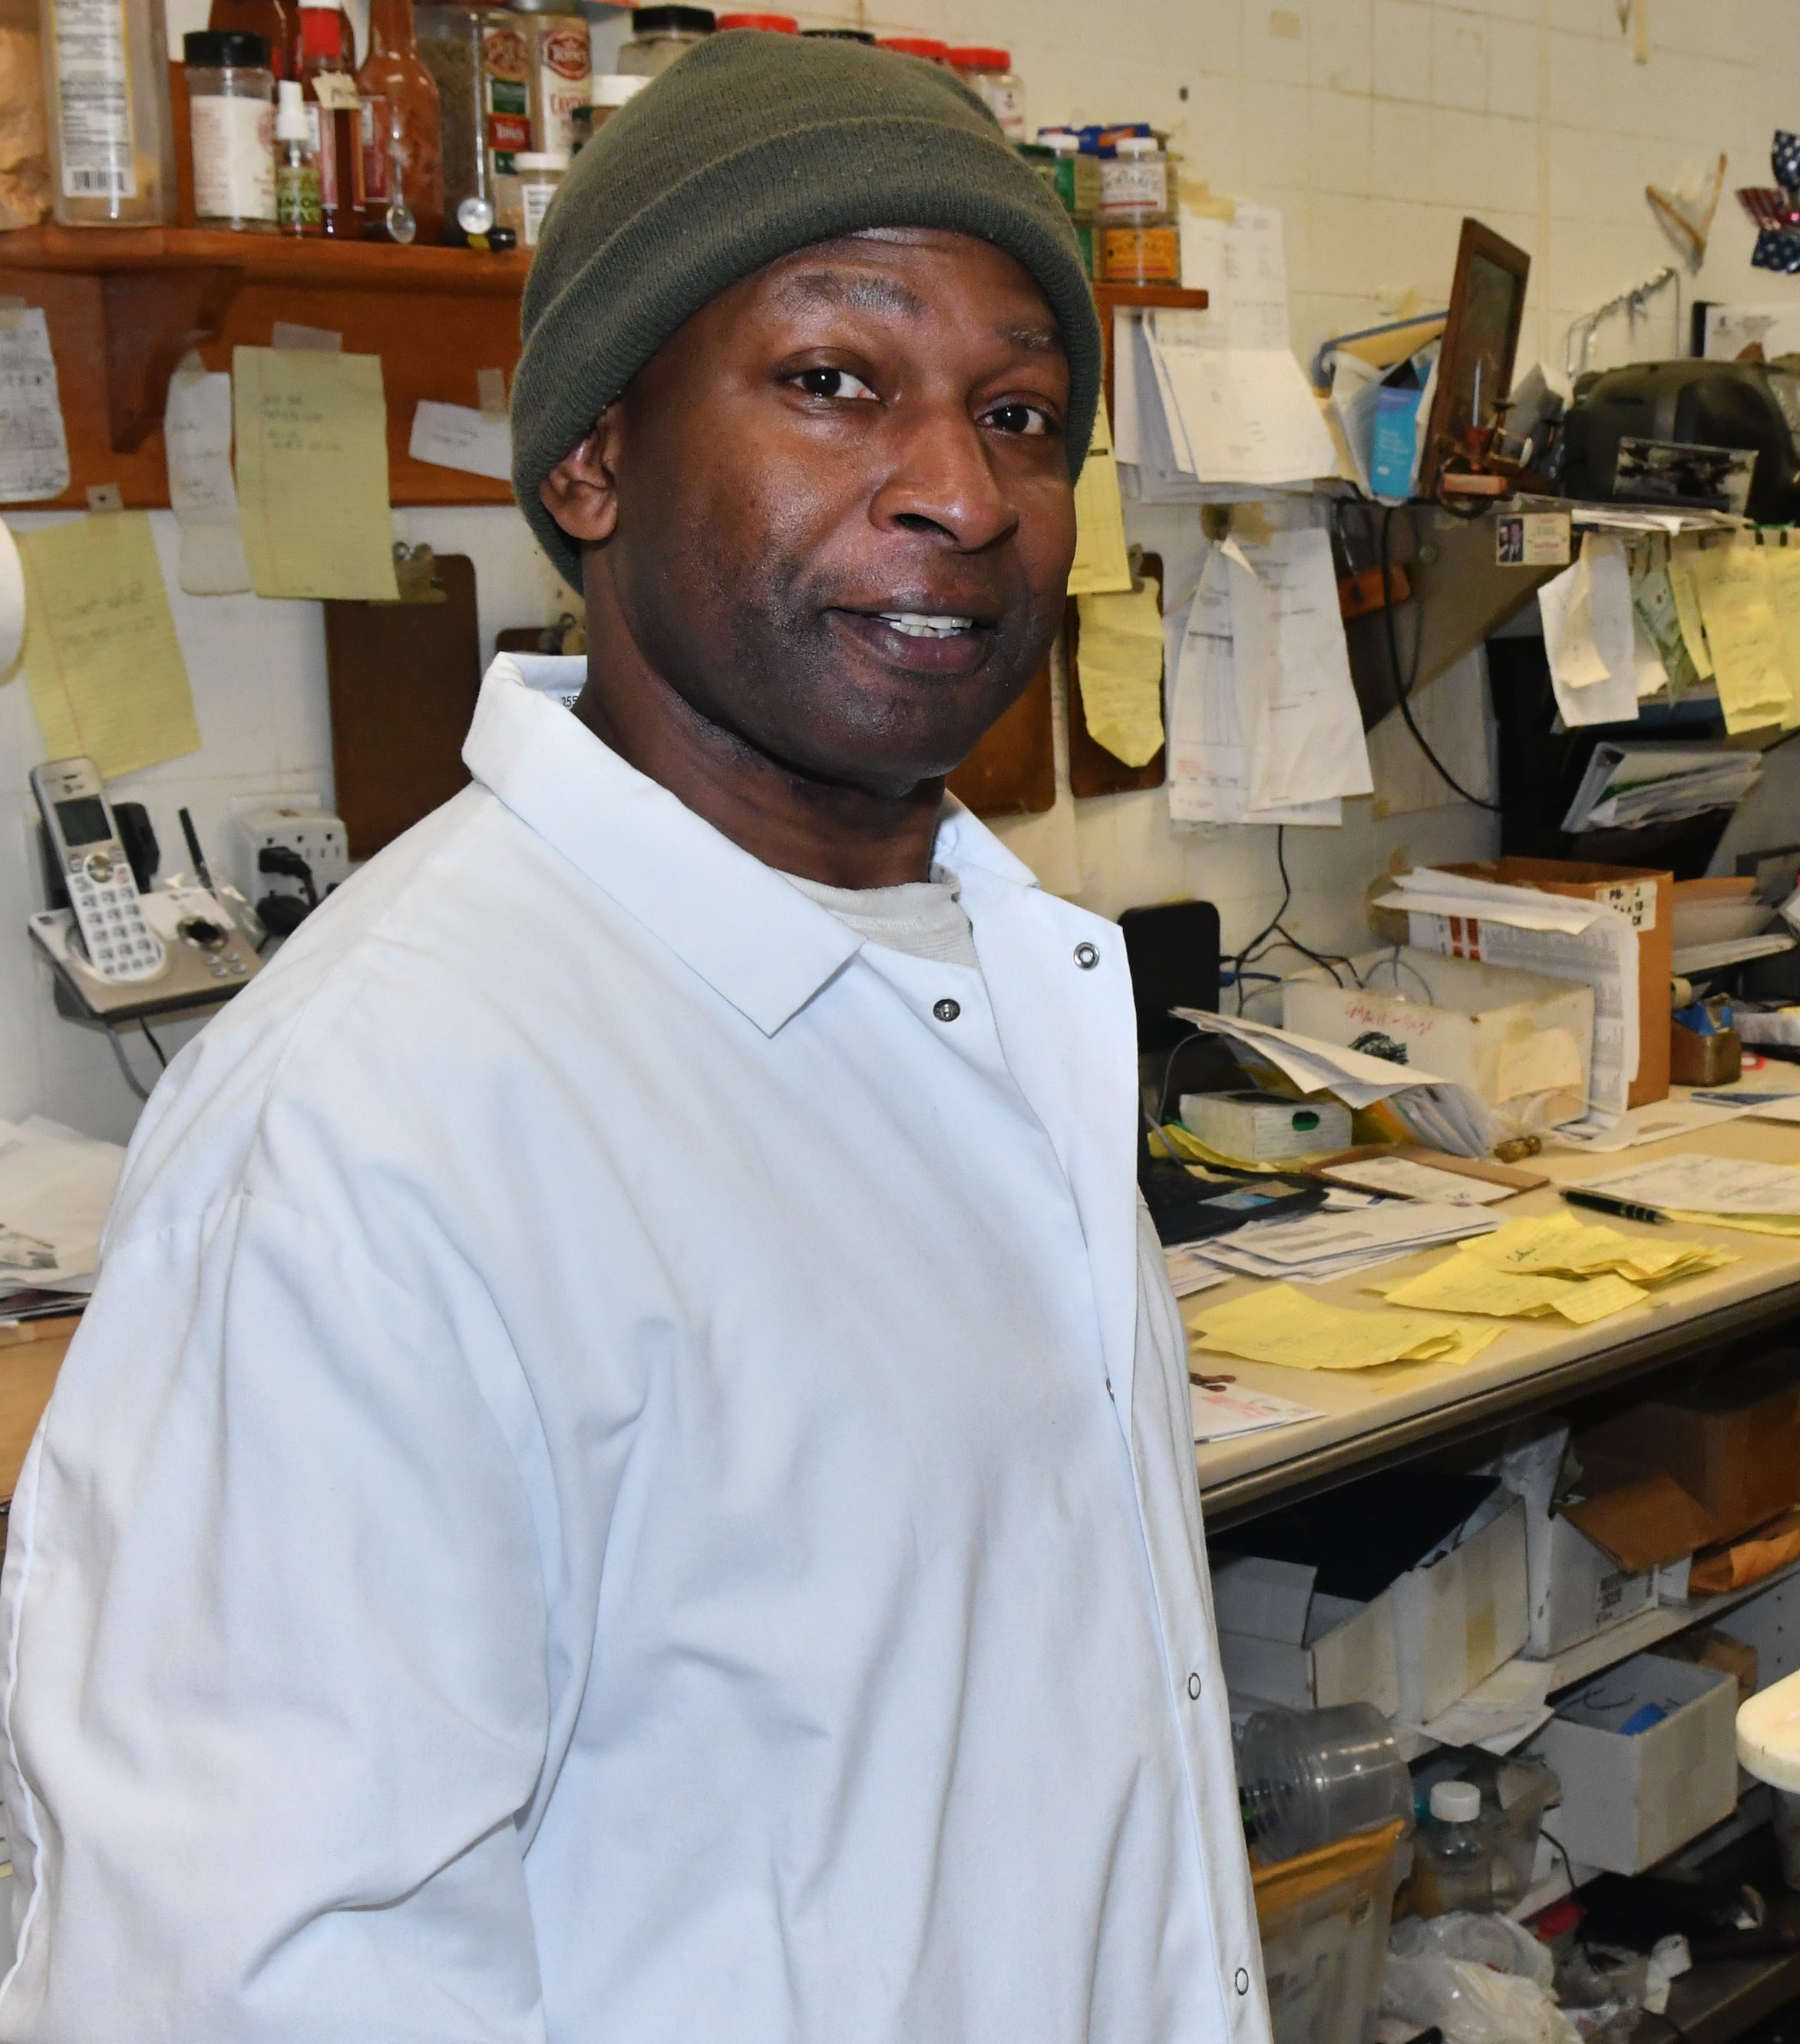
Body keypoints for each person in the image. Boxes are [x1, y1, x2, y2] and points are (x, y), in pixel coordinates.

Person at [0, 37, 1265, 2043]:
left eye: (1020, 413)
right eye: (834, 382)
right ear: (590, 458)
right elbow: (232, 1994)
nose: (960, 488)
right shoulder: (382, 1129)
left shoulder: (1012, 984)